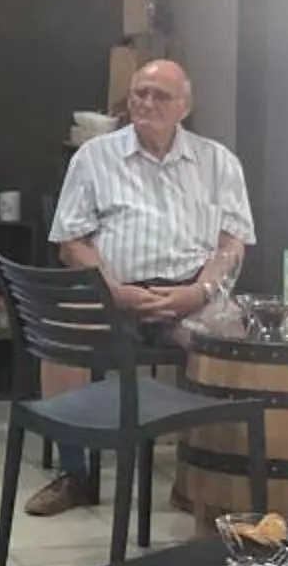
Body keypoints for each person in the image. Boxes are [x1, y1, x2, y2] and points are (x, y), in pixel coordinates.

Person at [26, 59, 254, 517]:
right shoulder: (94, 156)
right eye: (139, 94)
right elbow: (71, 242)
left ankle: (201, 478)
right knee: (61, 334)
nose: (146, 104)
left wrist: (201, 291)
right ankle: (75, 473)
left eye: (159, 96)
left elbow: (232, 243)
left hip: (190, 293)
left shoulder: (218, 161)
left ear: (184, 106)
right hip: (113, 292)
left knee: (231, 340)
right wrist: (111, 289)